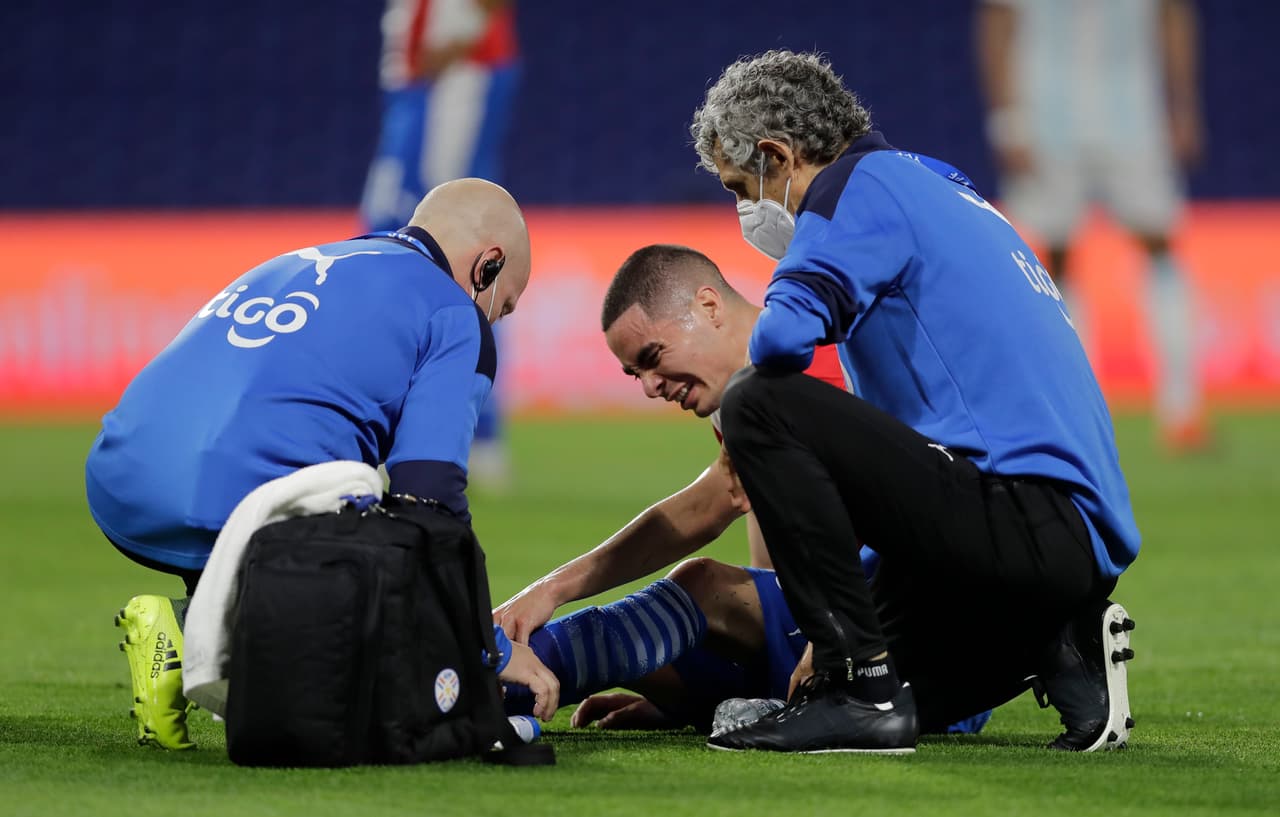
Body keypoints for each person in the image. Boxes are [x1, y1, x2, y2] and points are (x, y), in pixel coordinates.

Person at [673, 49, 1140, 754]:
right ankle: (1062, 640)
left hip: (1017, 516)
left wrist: (842, 653)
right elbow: (913, 474)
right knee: (901, 699)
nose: (746, 210)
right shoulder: (939, 182)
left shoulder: (855, 193)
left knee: (755, 404)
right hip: (1061, 542)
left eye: (744, 186)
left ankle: (859, 687)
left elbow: (779, 340)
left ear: (777, 153)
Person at [86, 178, 557, 750]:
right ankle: (190, 645)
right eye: (503, 303)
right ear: (488, 265)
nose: (496, 319)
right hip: (232, 503)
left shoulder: (301, 260)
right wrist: (489, 647)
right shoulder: (455, 313)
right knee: (367, 527)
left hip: (118, 477)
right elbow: (429, 497)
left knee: (303, 460)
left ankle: (191, 639)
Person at [495, 245, 990, 738]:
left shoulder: (817, 359)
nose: (649, 388)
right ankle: (490, 679)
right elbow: (749, 529)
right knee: (647, 653)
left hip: (915, 642)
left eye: (652, 358)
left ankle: (474, 682)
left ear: (708, 307)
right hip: (852, 632)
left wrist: (834, 645)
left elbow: (918, 516)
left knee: (700, 588)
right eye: (635, 373)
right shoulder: (740, 397)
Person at [977, 0, 1208, 451]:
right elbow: (998, 20)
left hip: (1134, 113)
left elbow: (1173, 14)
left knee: (1159, 242)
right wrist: (1007, 120)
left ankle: (1182, 407)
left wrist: (1182, 105)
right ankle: (1075, 408)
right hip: (1047, 114)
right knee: (1054, 256)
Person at [361, 0, 522, 486]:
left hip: (443, 103)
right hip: (418, 102)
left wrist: (449, 44)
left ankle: (476, 430)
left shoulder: (468, 73)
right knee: (393, 264)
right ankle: (412, 426)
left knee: (458, 267)